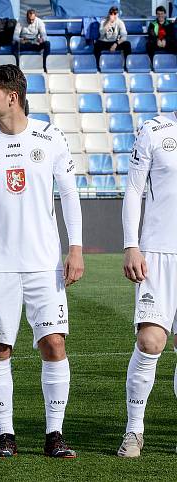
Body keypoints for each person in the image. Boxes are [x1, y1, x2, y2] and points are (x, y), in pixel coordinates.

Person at [0, 64, 84, 458]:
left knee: (54, 344)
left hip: (45, 262)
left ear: (12, 97)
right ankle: (5, 435)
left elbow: (69, 194)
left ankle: (54, 434)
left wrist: (76, 247)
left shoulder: (50, 137)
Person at [117, 111, 177, 457]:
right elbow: (135, 188)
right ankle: (134, 431)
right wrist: (131, 244)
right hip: (157, 253)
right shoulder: (155, 129)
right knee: (150, 340)